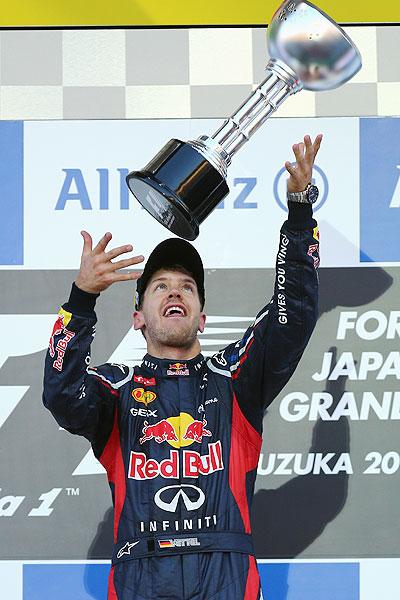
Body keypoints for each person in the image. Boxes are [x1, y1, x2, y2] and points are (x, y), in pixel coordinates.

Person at [43, 134, 322, 600]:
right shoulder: (116, 390)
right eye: (160, 287)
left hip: (226, 580)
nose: (175, 292)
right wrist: (81, 299)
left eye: (187, 287)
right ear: (138, 318)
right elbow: (61, 394)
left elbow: (292, 316)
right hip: (140, 579)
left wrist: (298, 211)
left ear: (201, 316)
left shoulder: (236, 378)